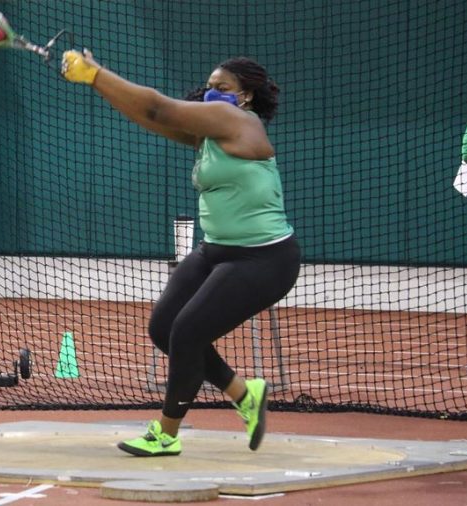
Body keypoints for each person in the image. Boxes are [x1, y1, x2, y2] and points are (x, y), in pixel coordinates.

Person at [61, 51, 301, 456]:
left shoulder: (238, 121)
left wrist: (100, 73)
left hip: (264, 258)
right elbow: (152, 117)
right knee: (163, 329)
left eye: (222, 88)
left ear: (245, 97)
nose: (211, 93)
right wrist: (97, 84)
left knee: (188, 332)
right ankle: (245, 394)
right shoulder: (209, 132)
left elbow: (158, 104)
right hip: (216, 251)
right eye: (209, 86)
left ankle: (166, 433)